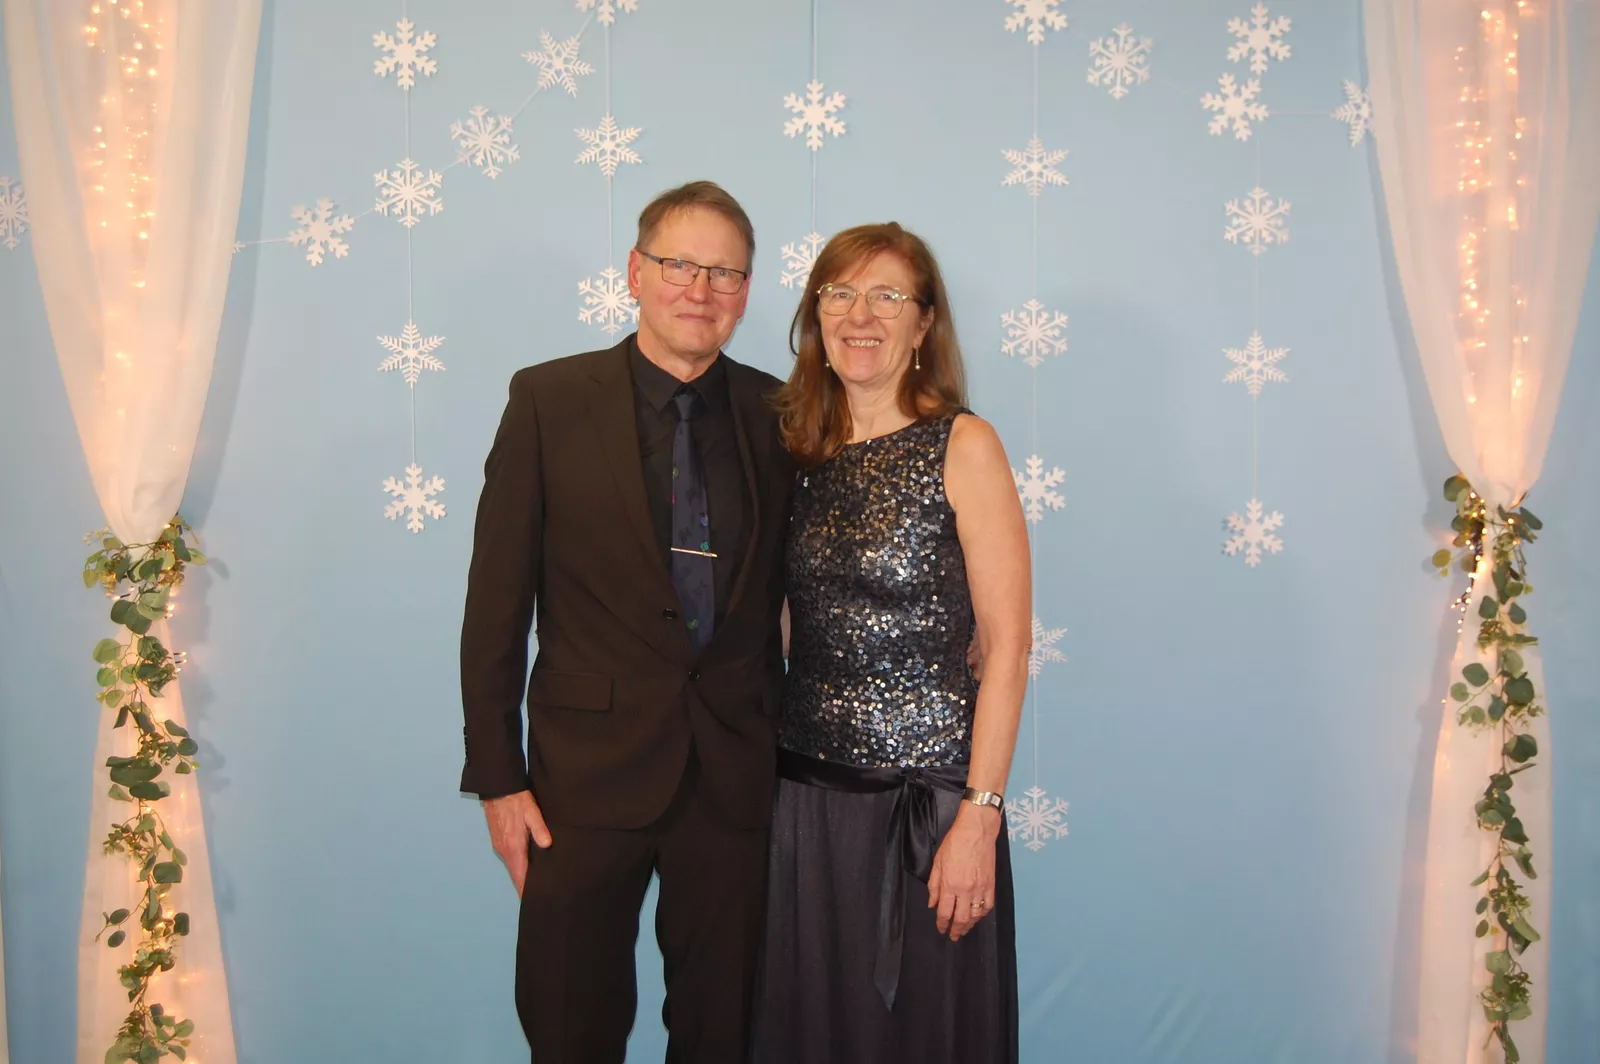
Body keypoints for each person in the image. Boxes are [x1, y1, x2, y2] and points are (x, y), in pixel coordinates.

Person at [458, 180, 793, 1063]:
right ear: (636, 273)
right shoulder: (548, 400)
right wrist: (498, 779)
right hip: (579, 782)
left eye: (724, 273)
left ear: (746, 292)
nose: (700, 289)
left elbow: (800, 588)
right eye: (680, 265)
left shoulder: (779, 416)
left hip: (732, 781)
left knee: (724, 1034)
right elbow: (495, 605)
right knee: (571, 1028)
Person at [753, 223, 1030, 1063]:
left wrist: (979, 818)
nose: (859, 315)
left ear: (924, 323)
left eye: (886, 296)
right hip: (805, 805)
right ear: (816, 316)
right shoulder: (795, 452)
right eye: (839, 293)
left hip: (928, 814)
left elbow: (1006, 649)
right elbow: (785, 626)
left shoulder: (964, 445)